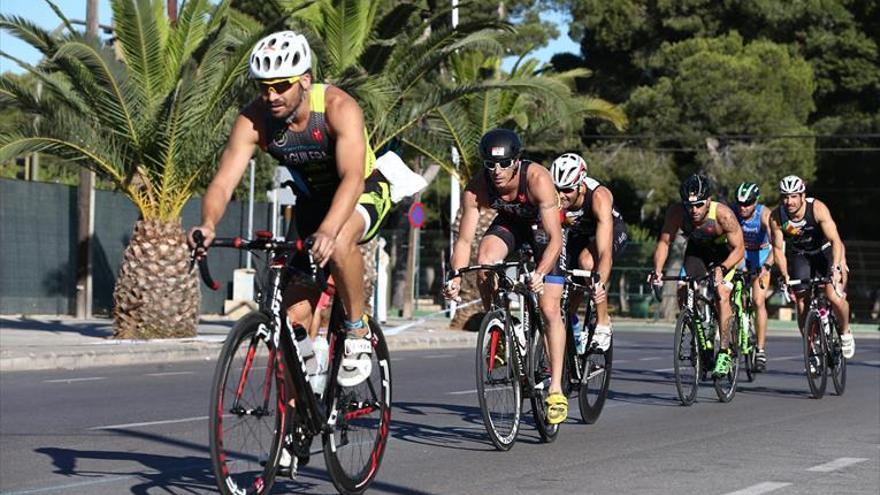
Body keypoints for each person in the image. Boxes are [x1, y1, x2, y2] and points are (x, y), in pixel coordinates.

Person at [188, 31, 393, 388]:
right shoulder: (254, 120)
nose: (271, 96)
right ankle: (298, 423)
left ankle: (357, 330)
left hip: (362, 191)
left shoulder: (337, 108)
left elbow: (351, 180)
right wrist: (207, 223)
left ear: (304, 80)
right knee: (293, 318)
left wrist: (329, 231)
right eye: (263, 87)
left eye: (281, 85)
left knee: (342, 239)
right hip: (311, 204)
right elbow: (223, 183)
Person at [443, 129, 568, 424]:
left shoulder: (537, 179)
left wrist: (539, 273)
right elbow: (463, 241)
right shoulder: (478, 187)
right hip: (511, 225)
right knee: (485, 259)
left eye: (504, 164)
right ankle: (498, 321)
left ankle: (556, 389)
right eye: (490, 164)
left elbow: (555, 239)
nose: (497, 171)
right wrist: (456, 276)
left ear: (517, 160)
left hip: (542, 231)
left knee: (549, 308)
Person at [649, 174, 745, 377]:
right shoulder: (677, 212)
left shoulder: (724, 215)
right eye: (689, 205)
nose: (693, 210)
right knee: (683, 289)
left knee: (721, 293)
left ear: (709, 200)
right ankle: (701, 339)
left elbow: (739, 249)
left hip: (724, 255)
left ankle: (725, 351)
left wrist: (723, 268)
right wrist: (657, 270)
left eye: (699, 205)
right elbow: (664, 243)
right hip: (697, 252)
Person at [769, 175, 854, 359]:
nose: (789, 201)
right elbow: (777, 249)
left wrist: (837, 267)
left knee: (833, 295)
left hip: (826, 252)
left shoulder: (817, 208)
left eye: (793, 196)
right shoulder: (777, 216)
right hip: (802, 256)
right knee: (801, 301)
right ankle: (810, 347)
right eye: (785, 196)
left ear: (802, 195)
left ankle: (846, 331)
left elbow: (835, 240)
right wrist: (784, 274)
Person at [550, 152, 628, 352]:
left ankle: (603, 322)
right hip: (578, 233)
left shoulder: (599, 197)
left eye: (567, 189)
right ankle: (572, 326)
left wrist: (599, 285)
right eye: (557, 189)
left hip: (609, 231)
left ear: (580, 186)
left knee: (587, 263)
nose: (561, 195)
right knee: (567, 280)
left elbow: (604, 254)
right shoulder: (551, 196)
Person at [733, 182, 774, 371]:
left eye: (747, 204)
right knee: (730, 292)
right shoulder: (732, 212)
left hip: (762, 256)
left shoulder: (764, 214)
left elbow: (779, 245)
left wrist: (766, 266)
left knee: (758, 301)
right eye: (740, 203)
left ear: (755, 202)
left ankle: (760, 349)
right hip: (741, 255)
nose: (743, 208)